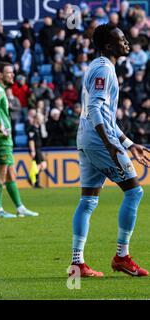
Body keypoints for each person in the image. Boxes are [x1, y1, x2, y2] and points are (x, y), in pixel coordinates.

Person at [70, 23, 150, 278]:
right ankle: (122, 256)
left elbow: (105, 115)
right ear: (108, 46)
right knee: (135, 192)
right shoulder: (105, 69)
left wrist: (128, 143)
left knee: (88, 200)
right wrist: (110, 145)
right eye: (121, 39)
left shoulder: (97, 67)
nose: (126, 42)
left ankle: (77, 263)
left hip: (86, 138)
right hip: (98, 140)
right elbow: (95, 109)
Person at [0, 62, 39, 218]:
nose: (12, 75)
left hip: (3, 139)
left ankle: (19, 207)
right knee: (0, 176)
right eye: (9, 72)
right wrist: (1, 127)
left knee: (10, 175)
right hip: (0, 138)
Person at [27, 113, 47, 188]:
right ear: (36, 119)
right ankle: (36, 183)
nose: (42, 120)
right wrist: (32, 151)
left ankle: (31, 179)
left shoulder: (38, 128)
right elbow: (31, 141)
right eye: (40, 118)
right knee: (38, 165)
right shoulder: (32, 128)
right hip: (35, 149)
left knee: (43, 165)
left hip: (39, 149)